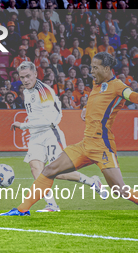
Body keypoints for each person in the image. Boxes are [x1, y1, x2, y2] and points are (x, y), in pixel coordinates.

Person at [1, 54, 138, 218]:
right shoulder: (96, 84)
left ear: (107, 68)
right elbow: (98, 103)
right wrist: (87, 109)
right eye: (91, 67)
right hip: (85, 145)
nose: (92, 71)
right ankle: (22, 209)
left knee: (119, 190)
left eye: (95, 67)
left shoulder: (118, 86)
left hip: (102, 146)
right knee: (49, 170)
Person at [9, 62, 107, 212]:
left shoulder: (44, 92)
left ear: (35, 74)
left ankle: (92, 182)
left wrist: (23, 125)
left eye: (28, 76)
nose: (25, 80)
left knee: (57, 172)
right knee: (36, 168)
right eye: (22, 77)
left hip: (50, 133)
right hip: (35, 135)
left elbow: (48, 120)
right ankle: (52, 205)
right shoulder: (27, 91)